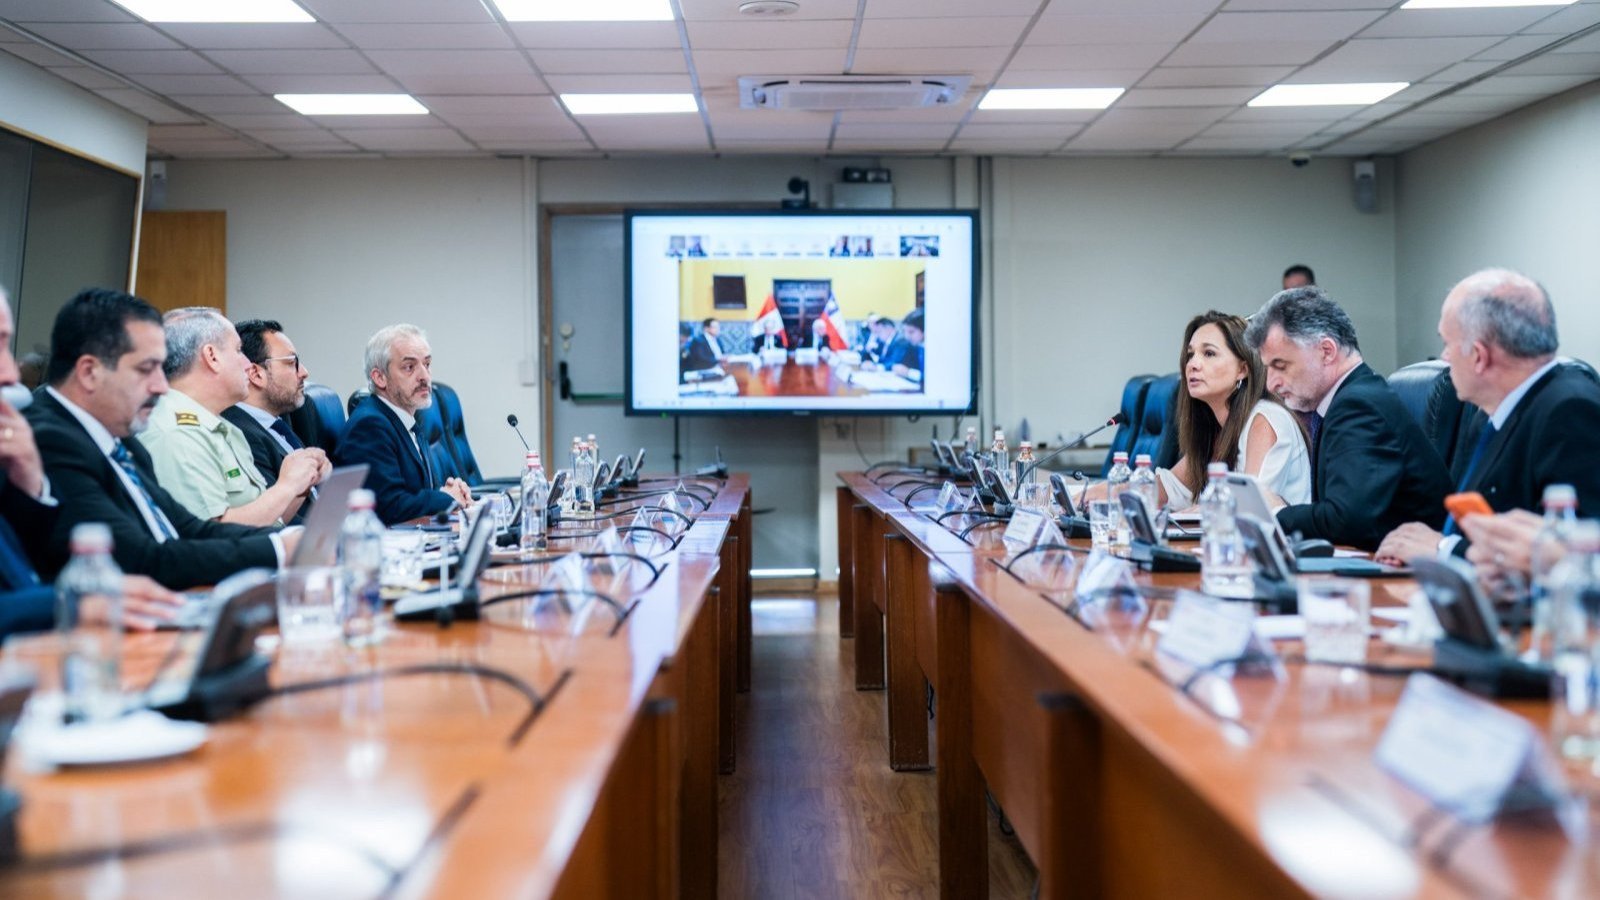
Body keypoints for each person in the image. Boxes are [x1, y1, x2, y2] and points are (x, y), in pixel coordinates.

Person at [25, 289, 292, 590]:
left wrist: (288, 540)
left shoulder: (121, 437)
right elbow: (143, 560)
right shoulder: (50, 440)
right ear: (89, 372)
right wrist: (278, 551)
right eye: (146, 369)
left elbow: (190, 529)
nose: (162, 386)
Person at [1375, 269, 1600, 565]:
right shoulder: (1490, 414)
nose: (1444, 358)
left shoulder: (1569, 411)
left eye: (1447, 343)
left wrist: (1442, 550)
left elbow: (1574, 561)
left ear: (1479, 356)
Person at [0, 288, 181, 638]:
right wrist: (74, 603)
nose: (10, 373)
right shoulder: (55, 436)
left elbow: (24, 574)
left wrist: (30, 486)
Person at [1243, 286, 1451, 551]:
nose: (1271, 384)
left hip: (1403, 578)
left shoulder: (1358, 405)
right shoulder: (1346, 399)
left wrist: (1276, 513)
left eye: (1280, 366)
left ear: (1326, 351)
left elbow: (1347, 520)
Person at [138, 308, 326, 528]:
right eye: (238, 351)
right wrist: (286, 487)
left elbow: (267, 521)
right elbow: (211, 536)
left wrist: (300, 483)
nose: (248, 365)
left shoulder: (223, 426)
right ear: (212, 356)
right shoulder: (176, 434)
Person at [1155, 312, 1310, 509]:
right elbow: (1166, 490)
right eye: (1190, 354)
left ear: (1242, 370)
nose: (1193, 364)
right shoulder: (1215, 427)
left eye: (1209, 353)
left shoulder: (1266, 419)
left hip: (1282, 539)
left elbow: (1249, 506)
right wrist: (1109, 490)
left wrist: (1193, 512)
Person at [335, 323, 472, 525]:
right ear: (380, 377)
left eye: (427, 364)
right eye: (409, 367)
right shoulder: (370, 426)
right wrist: (446, 499)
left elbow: (415, 492)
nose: (424, 376)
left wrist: (451, 492)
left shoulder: (407, 420)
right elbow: (390, 506)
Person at [220, 319, 326, 520]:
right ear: (255, 374)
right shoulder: (241, 433)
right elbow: (274, 522)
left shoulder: (286, 419)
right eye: (291, 362)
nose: (304, 372)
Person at [887, 309, 924, 383]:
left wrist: (909, 373)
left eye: (911, 332)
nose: (907, 336)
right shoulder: (913, 347)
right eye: (904, 331)